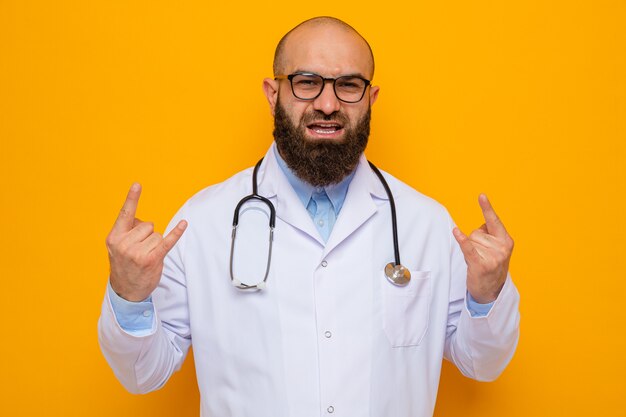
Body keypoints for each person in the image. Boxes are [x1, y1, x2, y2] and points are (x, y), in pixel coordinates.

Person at [98, 16, 520, 417]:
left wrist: (487, 295)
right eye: (306, 82)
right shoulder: (205, 222)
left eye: (349, 85)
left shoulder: (424, 223)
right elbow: (143, 374)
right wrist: (129, 296)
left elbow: (481, 364)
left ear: (370, 99)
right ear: (272, 93)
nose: (327, 103)